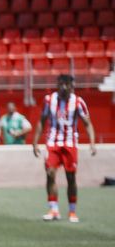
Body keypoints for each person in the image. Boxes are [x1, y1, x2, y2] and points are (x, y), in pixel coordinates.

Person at [32, 73, 97, 223]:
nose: (63, 88)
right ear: (57, 85)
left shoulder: (78, 102)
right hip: (53, 143)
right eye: (61, 84)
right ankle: (53, 209)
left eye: (67, 85)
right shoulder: (49, 100)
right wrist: (35, 142)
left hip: (70, 143)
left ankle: (72, 211)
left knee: (71, 177)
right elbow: (41, 121)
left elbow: (88, 123)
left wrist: (92, 143)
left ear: (72, 86)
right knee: (50, 174)